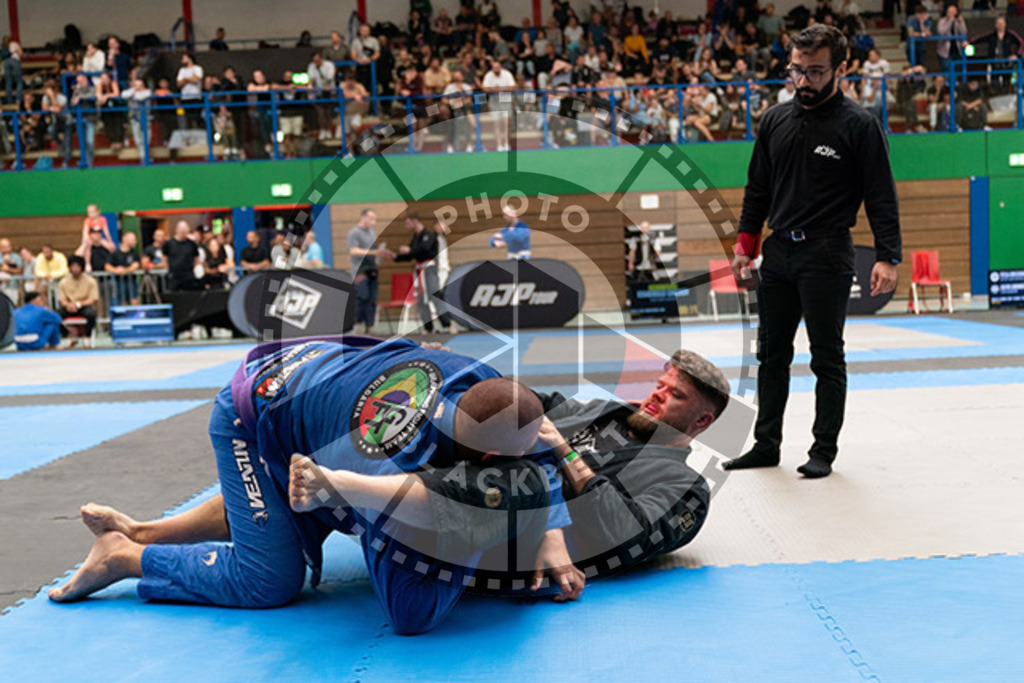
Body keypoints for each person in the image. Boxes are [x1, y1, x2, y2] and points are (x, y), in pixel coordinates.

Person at [49, 337, 576, 636]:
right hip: (253, 408)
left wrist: (550, 527)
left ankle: (142, 529)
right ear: (485, 457)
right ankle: (123, 556)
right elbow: (406, 612)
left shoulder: (477, 379)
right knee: (272, 579)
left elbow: (535, 434)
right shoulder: (389, 458)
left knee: (294, 504)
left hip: (315, 380)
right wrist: (489, 521)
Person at [726, 25, 901, 479]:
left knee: (826, 356)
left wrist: (888, 255)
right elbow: (757, 190)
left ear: (841, 68)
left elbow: (881, 194)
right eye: (796, 71)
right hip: (779, 253)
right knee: (770, 355)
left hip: (827, 252)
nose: (803, 81)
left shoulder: (858, 126)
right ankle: (766, 444)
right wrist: (746, 245)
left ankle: (823, 450)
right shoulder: (775, 120)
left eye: (815, 72)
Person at [393, 210, 454, 334]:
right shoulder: (416, 238)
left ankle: (448, 324)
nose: (406, 226)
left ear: (415, 222)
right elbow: (411, 256)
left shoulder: (429, 235)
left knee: (434, 295)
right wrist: (396, 257)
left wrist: (410, 249)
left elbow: (424, 250)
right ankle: (428, 327)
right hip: (419, 271)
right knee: (421, 299)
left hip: (429, 269)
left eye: (408, 223)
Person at [348, 209, 392, 333]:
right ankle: (357, 324)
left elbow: (374, 250)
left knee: (372, 299)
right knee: (362, 296)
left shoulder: (372, 233)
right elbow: (353, 251)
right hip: (360, 271)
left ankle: (369, 325)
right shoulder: (354, 232)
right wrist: (373, 252)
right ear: (363, 217)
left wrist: (381, 253)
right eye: (371, 219)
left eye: (375, 219)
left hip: (372, 269)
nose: (374, 222)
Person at [57, 256, 99, 339]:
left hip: (84, 306)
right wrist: (68, 305)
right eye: (73, 267)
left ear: (82, 268)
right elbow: (62, 299)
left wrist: (79, 304)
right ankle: (67, 335)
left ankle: (87, 335)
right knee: (55, 316)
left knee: (91, 314)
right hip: (69, 306)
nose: (75, 269)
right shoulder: (63, 282)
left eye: (77, 267)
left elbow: (93, 299)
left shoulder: (91, 281)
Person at [482, 60, 516, 152]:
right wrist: (494, 89)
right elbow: (484, 88)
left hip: (505, 100)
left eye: (497, 67)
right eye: (494, 67)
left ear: (500, 67)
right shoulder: (488, 75)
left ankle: (506, 144)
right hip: (494, 102)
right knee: (496, 124)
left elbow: (513, 86)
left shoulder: (507, 74)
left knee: (506, 123)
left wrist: (502, 89)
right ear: (492, 68)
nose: (496, 69)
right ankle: (499, 145)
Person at [164, 220, 202, 290]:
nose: (183, 233)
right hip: (174, 276)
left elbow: (196, 257)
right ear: (177, 230)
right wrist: (167, 268)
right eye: (182, 231)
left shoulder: (192, 244)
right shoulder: (169, 244)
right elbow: (164, 258)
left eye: (185, 231)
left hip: (188, 275)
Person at [105, 232, 142, 305]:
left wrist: (125, 270)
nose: (135, 242)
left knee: (134, 301)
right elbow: (107, 266)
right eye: (133, 240)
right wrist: (115, 270)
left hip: (132, 281)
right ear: (125, 239)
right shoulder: (115, 254)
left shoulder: (134, 254)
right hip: (119, 282)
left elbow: (135, 265)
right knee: (123, 303)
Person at [935, 4, 967, 73]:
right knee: (947, 71)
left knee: (959, 70)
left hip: (957, 50)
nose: (952, 14)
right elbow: (941, 32)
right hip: (945, 51)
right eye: (950, 12)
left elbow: (964, 32)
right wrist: (950, 22)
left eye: (954, 12)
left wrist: (960, 22)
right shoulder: (942, 21)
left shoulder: (958, 20)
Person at [176, 53, 204, 129]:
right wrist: (189, 79)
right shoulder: (182, 70)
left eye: (184, 58)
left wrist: (185, 79)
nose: (182, 60)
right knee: (188, 118)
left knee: (197, 117)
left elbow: (196, 80)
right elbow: (178, 83)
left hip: (195, 97)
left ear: (189, 58)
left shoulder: (197, 68)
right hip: (185, 97)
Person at [0, 237, 24, 303]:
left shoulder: (16, 257)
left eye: (9, 245)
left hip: (12, 286)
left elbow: (20, 271)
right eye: (5, 246)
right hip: (1, 286)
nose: (8, 247)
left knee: (12, 303)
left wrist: (8, 270)